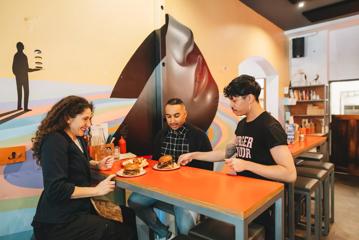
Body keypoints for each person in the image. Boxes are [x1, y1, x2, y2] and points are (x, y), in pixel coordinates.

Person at [178, 75, 297, 240]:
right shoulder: (242, 125)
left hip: (265, 203)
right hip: (243, 196)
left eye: (234, 100)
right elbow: (226, 153)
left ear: (249, 98)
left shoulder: (270, 127)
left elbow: (290, 173)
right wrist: (194, 155)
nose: (232, 106)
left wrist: (246, 165)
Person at [31, 95, 136, 240]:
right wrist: (97, 190)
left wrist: (96, 164)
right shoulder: (54, 141)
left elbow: (77, 161)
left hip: (80, 208)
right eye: (85, 119)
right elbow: (56, 188)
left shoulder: (78, 137)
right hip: (59, 221)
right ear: (68, 118)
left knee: (129, 215)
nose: (89, 124)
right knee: (121, 232)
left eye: (90, 119)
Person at [128, 98, 213, 239]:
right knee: (134, 201)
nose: (172, 120)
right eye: (168, 116)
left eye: (176, 115)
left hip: (187, 191)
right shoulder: (162, 135)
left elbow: (208, 171)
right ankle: (164, 233)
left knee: (185, 229)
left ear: (185, 114)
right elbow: (155, 163)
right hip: (162, 188)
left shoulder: (198, 136)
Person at [12, 42, 40, 111]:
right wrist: (18, 74)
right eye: (22, 46)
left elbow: (15, 68)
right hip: (23, 77)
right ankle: (24, 107)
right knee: (25, 92)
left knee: (21, 92)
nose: (23, 47)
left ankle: (21, 107)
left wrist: (34, 70)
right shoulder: (21, 56)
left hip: (22, 77)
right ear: (20, 47)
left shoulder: (20, 56)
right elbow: (14, 68)